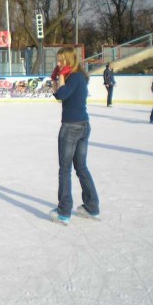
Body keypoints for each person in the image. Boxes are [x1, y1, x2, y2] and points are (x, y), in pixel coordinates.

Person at [50, 46, 100, 226]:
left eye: (61, 60)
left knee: (65, 170)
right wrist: (55, 79)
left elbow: (62, 93)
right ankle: (91, 207)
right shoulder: (77, 76)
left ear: (69, 60)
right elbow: (59, 95)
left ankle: (64, 212)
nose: (58, 63)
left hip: (71, 127)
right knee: (81, 167)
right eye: (57, 60)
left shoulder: (75, 77)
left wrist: (61, 77)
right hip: (83, 125)